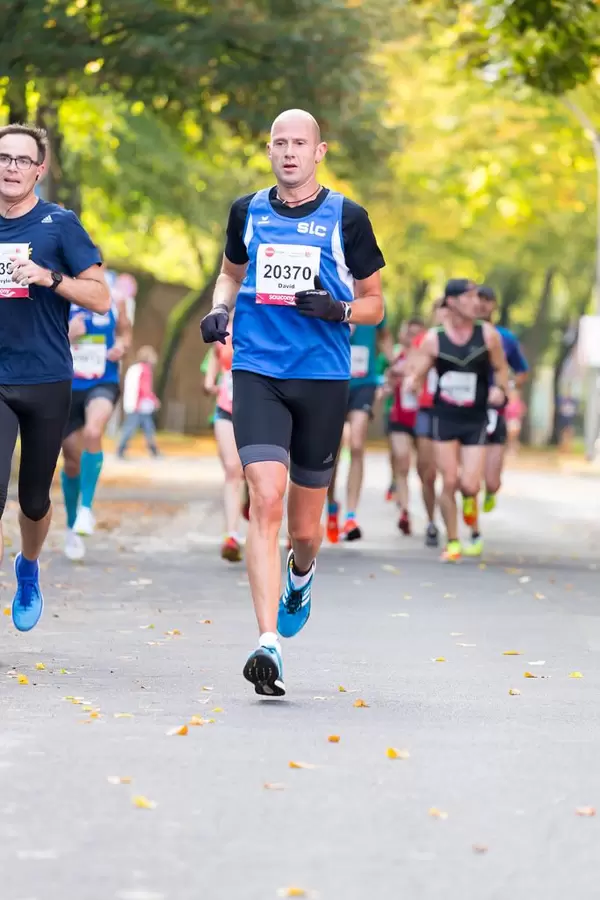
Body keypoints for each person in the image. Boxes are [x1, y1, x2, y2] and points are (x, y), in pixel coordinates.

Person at [200, 108, 384, 697]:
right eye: (279, 142)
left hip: (323, 377)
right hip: (258, 370)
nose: (288, 152)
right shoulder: (245, 211)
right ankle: (266, 643)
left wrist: (341, 309)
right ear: (269, 148)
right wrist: (220, 309)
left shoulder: (347, 218)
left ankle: (300, 577)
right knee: (266, 497)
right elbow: (229, 274)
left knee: (306, 529)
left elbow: (376, 302)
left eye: (299, 143)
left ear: (319, 151)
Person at [0, 123, 109, 631]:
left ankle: (28, 566)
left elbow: (101, 297)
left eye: (23, 160)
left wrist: (51, 278)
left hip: (45, 377)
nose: (12, 167)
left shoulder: (59, 224)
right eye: (4, 158)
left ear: (39, 169)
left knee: (34, 500)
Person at [405, 279, 509, 562]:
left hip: (475, 417)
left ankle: (473, 528)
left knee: (470, 486)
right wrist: (413, 380)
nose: (476, 302)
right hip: (444, 417)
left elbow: (501, 368)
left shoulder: (487, 335)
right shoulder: (434, 339)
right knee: (449, 481)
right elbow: (418, 370)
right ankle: (453, 541)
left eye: (478, 297)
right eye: (469, 297)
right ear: (451, 302)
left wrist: (500, 388)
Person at [61, 289, 132, 560]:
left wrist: (122, 346)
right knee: (70, 459)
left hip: (103, 380)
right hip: (66, 384)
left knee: (93, 431)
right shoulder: (58, 295)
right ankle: (70, 525)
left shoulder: (114, 298)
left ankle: (86, 509)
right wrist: (67, 334)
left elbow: (125, 332)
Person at [326, 317, 393, 542]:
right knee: (330, 453)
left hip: (364, 383)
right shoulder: (331, 291)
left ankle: (351, 516)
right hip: (332, 380)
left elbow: (385, 337)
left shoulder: (372, 302)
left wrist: (392, 364)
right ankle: (332, 505)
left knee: (356, 445)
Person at [477, 285, 529, 511]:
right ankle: (469, 501)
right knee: (466, 476)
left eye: (487, 300)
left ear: (494, 305)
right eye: (478, 299)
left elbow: (521, 371)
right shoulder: (458, 334)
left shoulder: (505, 338)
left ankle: (491, 489)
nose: (482, 304)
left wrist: (505, 387)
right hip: (466, 409)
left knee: (491, 480)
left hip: (495, 411)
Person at [203, 324, 246, 562]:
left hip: (259, 411)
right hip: (226, 408)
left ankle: (250, 498)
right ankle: (231, 535)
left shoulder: (266, 323)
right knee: (232, 470)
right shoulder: (225, 329)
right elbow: (215, 354)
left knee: (255, 474)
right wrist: (210, 381)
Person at [410, 299, 447, 548]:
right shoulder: (424, 340)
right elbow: (412, 368)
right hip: (426, 409)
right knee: (427, 471)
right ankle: (431, 520)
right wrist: (413, 378)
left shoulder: (463, 340)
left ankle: (452, 513)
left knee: (451, 472)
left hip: (453, 411)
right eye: (440, 310)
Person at [386, 317, 426, 536]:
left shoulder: (429, 359)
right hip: (399, 418)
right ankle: (404, 510)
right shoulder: (397, 358)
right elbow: (387, 382)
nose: (414, 339)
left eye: (418, 334)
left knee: (424, 469)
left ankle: (428, 511)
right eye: (410, 334)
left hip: (423, 419)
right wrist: (388, 383)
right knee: (402, 461)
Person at [117, 347, 161, 457]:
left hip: (131, 402)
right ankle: (121, 448)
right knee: (133, 427)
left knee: (147, 426)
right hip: (140, 405)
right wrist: (154, 399)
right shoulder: (145, 370)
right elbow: (144, 388)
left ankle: (153, 449)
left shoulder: (134, 368)